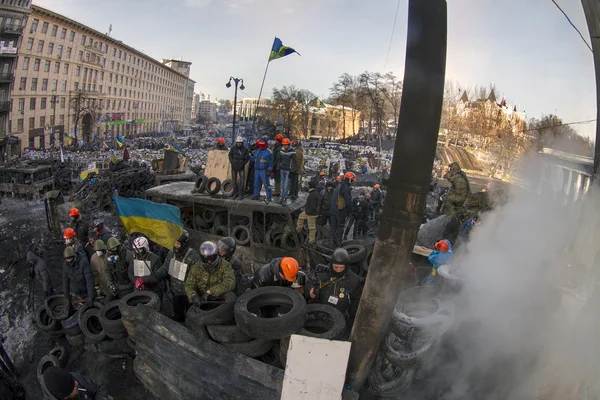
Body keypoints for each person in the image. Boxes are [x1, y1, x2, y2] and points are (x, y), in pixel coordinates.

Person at [305, 248, 363, 321]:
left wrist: (350, 317)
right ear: (331, 265)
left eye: (341, 267)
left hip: (341, 316)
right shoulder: (321, 272)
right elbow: (307, 282)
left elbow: (356, 302)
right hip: (320, 312)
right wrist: (309, 289)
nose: (338, 270)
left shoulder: (354, 280)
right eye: (336, 267)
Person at [162, 230, 199, 322]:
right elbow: (164, 268)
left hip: (188, 293)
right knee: (177, 312)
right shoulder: (171, 253)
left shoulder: (194, 256)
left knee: (190, 313)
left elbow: (197, 277)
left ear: (184, 244)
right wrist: (155, 276)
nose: (176, 246)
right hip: (175, 291)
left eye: (178, 244)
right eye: (175, 243)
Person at [41, 366, 110, 400]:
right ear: (65, 397)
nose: (76, 383)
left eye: (73, 380)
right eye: (73, 386)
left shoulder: (70, 379)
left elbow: (98, 387)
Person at [104, 237, 133, 301]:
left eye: (114, 248)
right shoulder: (108, 257)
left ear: (118, 246)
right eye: (111, 249)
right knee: (107, 301)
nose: (113, 250)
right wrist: (110, 285)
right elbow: (107, 271)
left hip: (129, 286)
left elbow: (135, 271)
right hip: (117, 286)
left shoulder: (127, 254)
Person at [329, 172, 354, 245]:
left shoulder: (339, 185)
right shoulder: (346, 187)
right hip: (340, 211)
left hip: (333, 209)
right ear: (349, 180)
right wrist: (350, 211)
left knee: (333, 226)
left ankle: (331, 241)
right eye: (352, 180)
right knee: (340, 226)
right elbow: (348, 201)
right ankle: (338, 241)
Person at [277, 138, 297, 205]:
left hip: (288, 170)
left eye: (286, 145)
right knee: (282, 184)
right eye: (284, 145)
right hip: (282, 169)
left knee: (286, 185)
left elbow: (294, 162)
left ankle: (284, 198)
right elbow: (279, 159)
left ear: (288, 145)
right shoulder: (281, 150)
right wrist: (278, 167)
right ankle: (282, 198)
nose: (285, 146)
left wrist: (292, 171)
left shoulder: (292, 151)